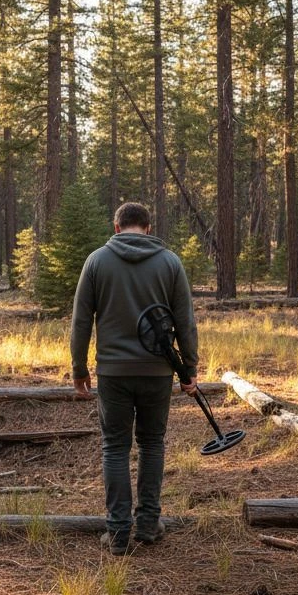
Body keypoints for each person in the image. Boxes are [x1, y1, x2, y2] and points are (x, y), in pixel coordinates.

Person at [70, 202, 198, 555]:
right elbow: (185, 321)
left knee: (115, 447)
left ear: (116, 227)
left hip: (113, 372)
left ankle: (118, 532)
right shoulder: (170, 262)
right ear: (148, 226)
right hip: (158, 372)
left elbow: (81, 321)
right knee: (152, 443)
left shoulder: (97, 261)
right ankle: (147, 525)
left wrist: (79, 369)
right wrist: (190, 370)